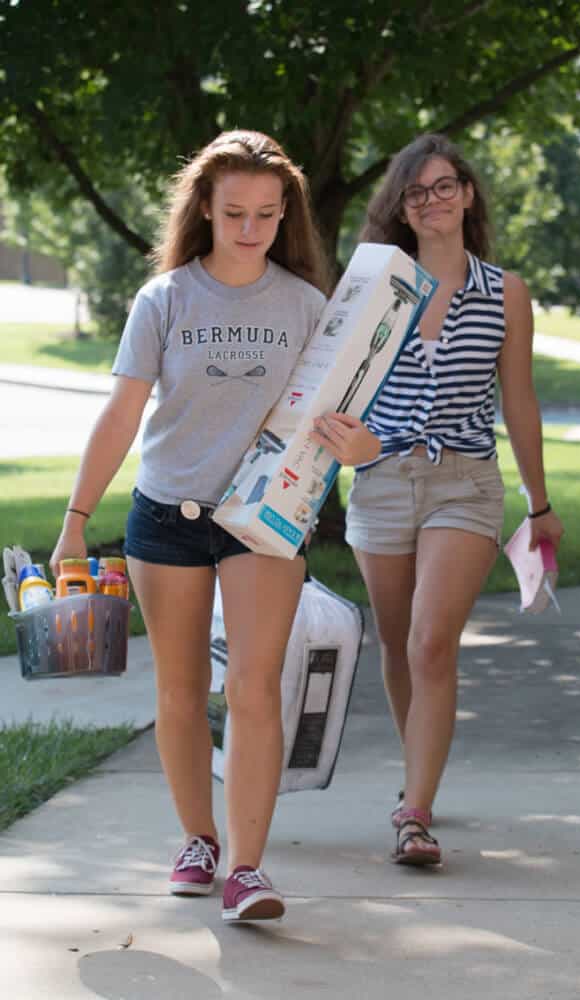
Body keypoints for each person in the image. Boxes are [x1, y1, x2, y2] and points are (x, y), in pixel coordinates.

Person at [50, 129, 380, 922]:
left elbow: (352, 419)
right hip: (166, 514)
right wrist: (74, 520)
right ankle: (197, 840)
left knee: (254, 686)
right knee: (180, 690)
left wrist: (361, 446)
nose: (248, 229)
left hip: (262, 520)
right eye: (234, 212)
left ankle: (249, 871)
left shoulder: (309, 306)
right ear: (204, 206)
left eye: (266, 215)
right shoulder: (164, 300)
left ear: (283, 216)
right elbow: (122, 412)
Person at [345, 133, 564, 867]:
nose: (432, 200)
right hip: (379, 481)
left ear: (467, 195)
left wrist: (538, 504)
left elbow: (520, 400)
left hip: (464, 481)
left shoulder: (503, 291)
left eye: (444, 186)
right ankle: (420, 783)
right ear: (399, 209)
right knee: (399, 645)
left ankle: (413, 814)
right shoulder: (377, 283)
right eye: (416, 192)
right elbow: (336, 387)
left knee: (431, 642)